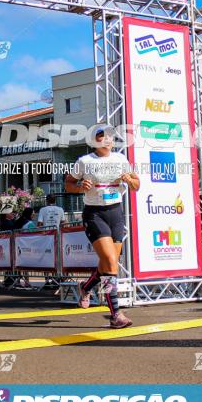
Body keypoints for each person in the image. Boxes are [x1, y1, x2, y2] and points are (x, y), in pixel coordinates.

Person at [66, 126, 140, 329]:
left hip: (115, 213)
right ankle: (116, 314)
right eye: (101, 137)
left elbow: (137, 185)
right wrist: (80, 186)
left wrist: (129, 179)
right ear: (94, 142)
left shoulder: (121, 160)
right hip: (94, 214)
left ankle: (86, 287)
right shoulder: (85, 161)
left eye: (108, 137)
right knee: (108, 261)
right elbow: (69, 184)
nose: (106, 140)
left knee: (110, 263)